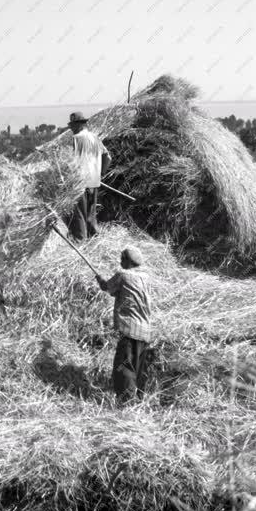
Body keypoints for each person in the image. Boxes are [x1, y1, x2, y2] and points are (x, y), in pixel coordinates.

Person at [95, 246, 152, 401]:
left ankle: (126, 402)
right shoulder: (145, 277)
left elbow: (107, 287)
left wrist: (100, 280)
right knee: (138, 368)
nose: (120, 261)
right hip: (145, 330)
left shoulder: (123, 275)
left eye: (122, 258)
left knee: (124, 366)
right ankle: (139, 399)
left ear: (127, 261)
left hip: (130, 328)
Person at [67, 111, 111, 241]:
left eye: (73, 126)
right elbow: (108, 157)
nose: (72, 130)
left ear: (79, 125)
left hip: (81, 183)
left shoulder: (76, 139)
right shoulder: (95, 138)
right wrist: (101, 173)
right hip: (94, 182)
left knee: (79, 216)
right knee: (91, 217)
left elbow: (72, 162)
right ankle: (95, 243)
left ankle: (80, 243)